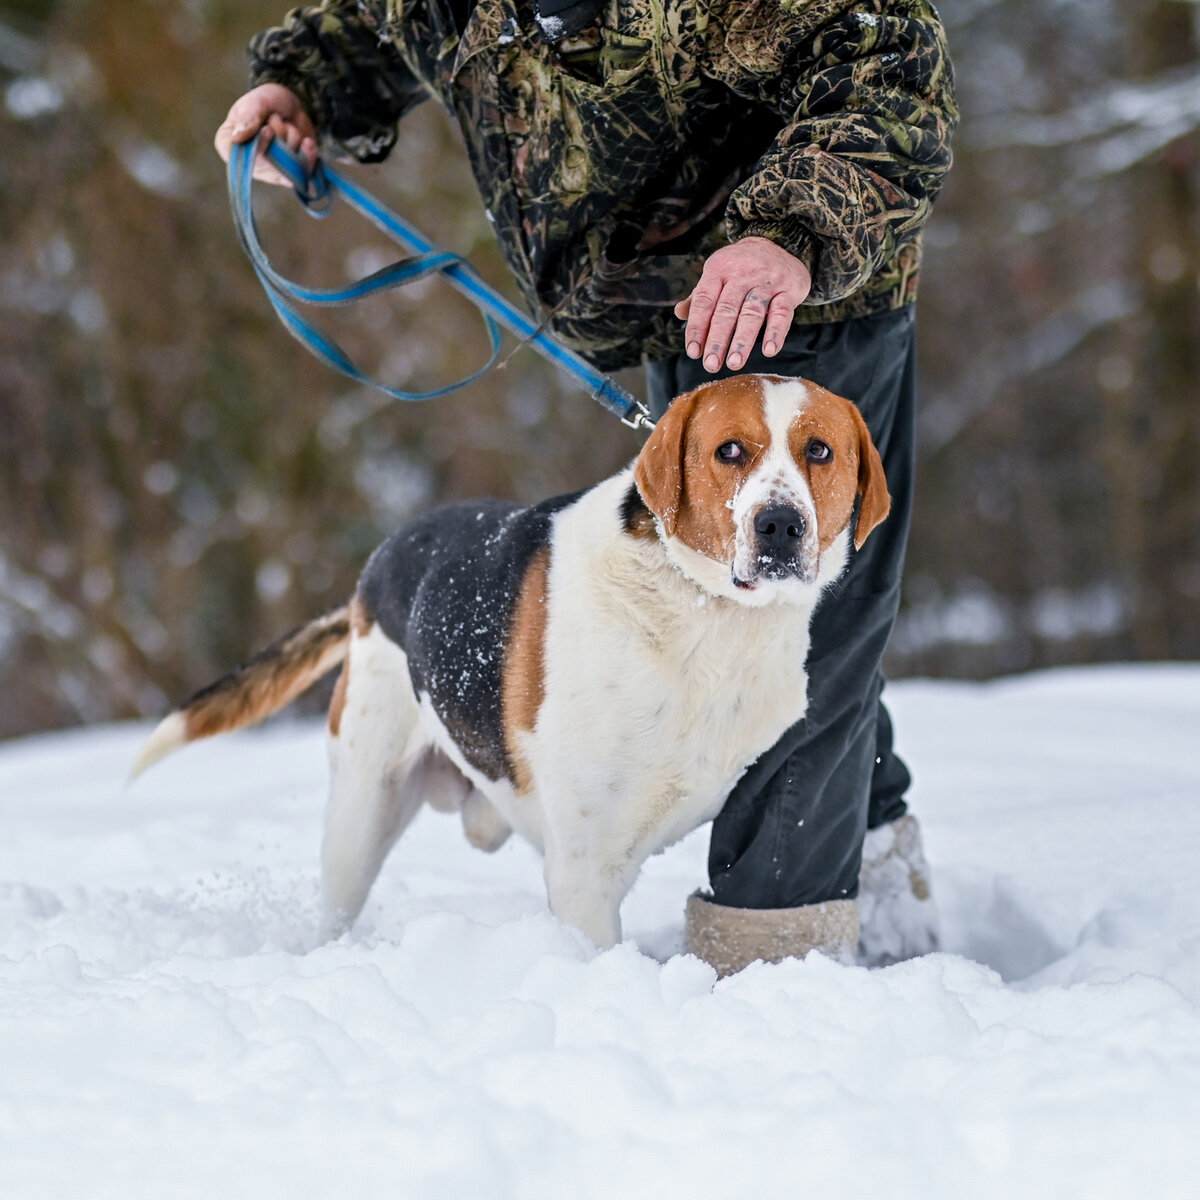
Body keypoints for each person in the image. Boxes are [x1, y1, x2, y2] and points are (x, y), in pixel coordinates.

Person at [215, 0, 957, 974]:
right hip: (667, 309)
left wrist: (794, 228)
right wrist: (304, 86)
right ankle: (874, 870)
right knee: (734, 605)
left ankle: (782, 974)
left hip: (810, 291)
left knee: (801, 640)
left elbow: (890, 49)